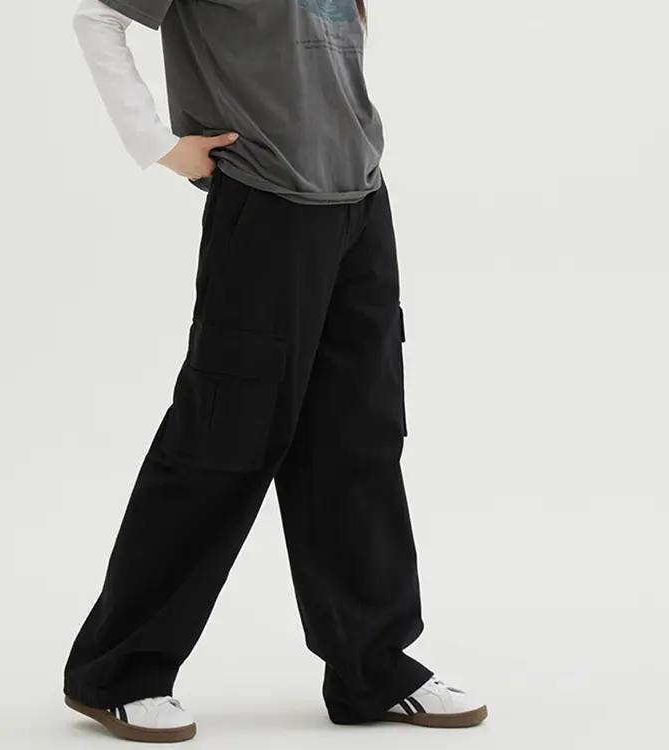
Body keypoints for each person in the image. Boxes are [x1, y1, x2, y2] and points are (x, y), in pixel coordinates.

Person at [63, 0, 488, 742]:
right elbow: (98, 17)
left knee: (358, 440)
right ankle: (117, 673)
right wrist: (156, 144)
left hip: (360, 201)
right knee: (224, 439)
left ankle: (371, 668)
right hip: (266, 205)